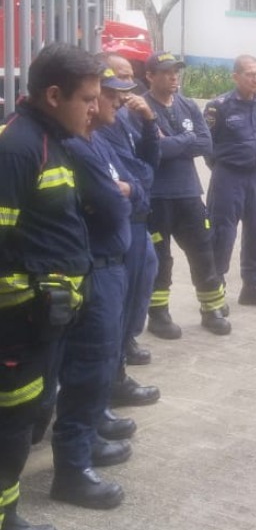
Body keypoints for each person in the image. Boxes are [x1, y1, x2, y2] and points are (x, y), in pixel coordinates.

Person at [0, 43, 99, 530]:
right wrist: (35, 293)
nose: (95, 109)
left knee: (25, 423)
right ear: (54, 95)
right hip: (16, 327)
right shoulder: (18, 148)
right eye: (87, 99)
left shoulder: (52, 139)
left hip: (43, 325)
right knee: (10, 429)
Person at [49, 65, 144, 511]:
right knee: (88, 366)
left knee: (101, 359)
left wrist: (126, 192)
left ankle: (85, 443)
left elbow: (138, 188)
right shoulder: (78, 147)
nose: (108, 103)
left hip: (111, 264)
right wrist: (122, 193)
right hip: (96, 267)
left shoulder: (95, 142)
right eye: (95, 97)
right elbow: (111, 205)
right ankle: (72, 467)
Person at [143, 52, 229, 337]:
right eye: (166, 71)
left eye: (176, 71)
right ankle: (158, 315)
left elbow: (205, 143)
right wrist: (185, 141)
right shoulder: (141, 108)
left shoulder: (188, 105)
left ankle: (211, 309)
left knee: (203, 252)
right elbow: (155, 150)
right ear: (150, 76)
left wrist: (176, 142)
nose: (173, 76)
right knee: (160, 257)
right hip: (157, 197)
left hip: (189, 193)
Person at [98, 53, 161, 421]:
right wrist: (138, 185)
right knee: (118, 306)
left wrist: (150, 122)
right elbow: (137, 175)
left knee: (140, 289)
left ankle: (119, 365)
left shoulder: (127, 116)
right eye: (116, 84)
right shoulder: (105, 123)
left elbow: (150, 162)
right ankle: (111, 380)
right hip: (127, 221)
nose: (124, 93)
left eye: (128, 81)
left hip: (138, 217)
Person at [205, 56, 256, 308]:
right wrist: (223, 167)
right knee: (222, 233)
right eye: (250, 74)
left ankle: (253, 287)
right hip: (228, 176)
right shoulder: (219, 106)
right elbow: (208, 145)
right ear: (235, 77)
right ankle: (215, 292)